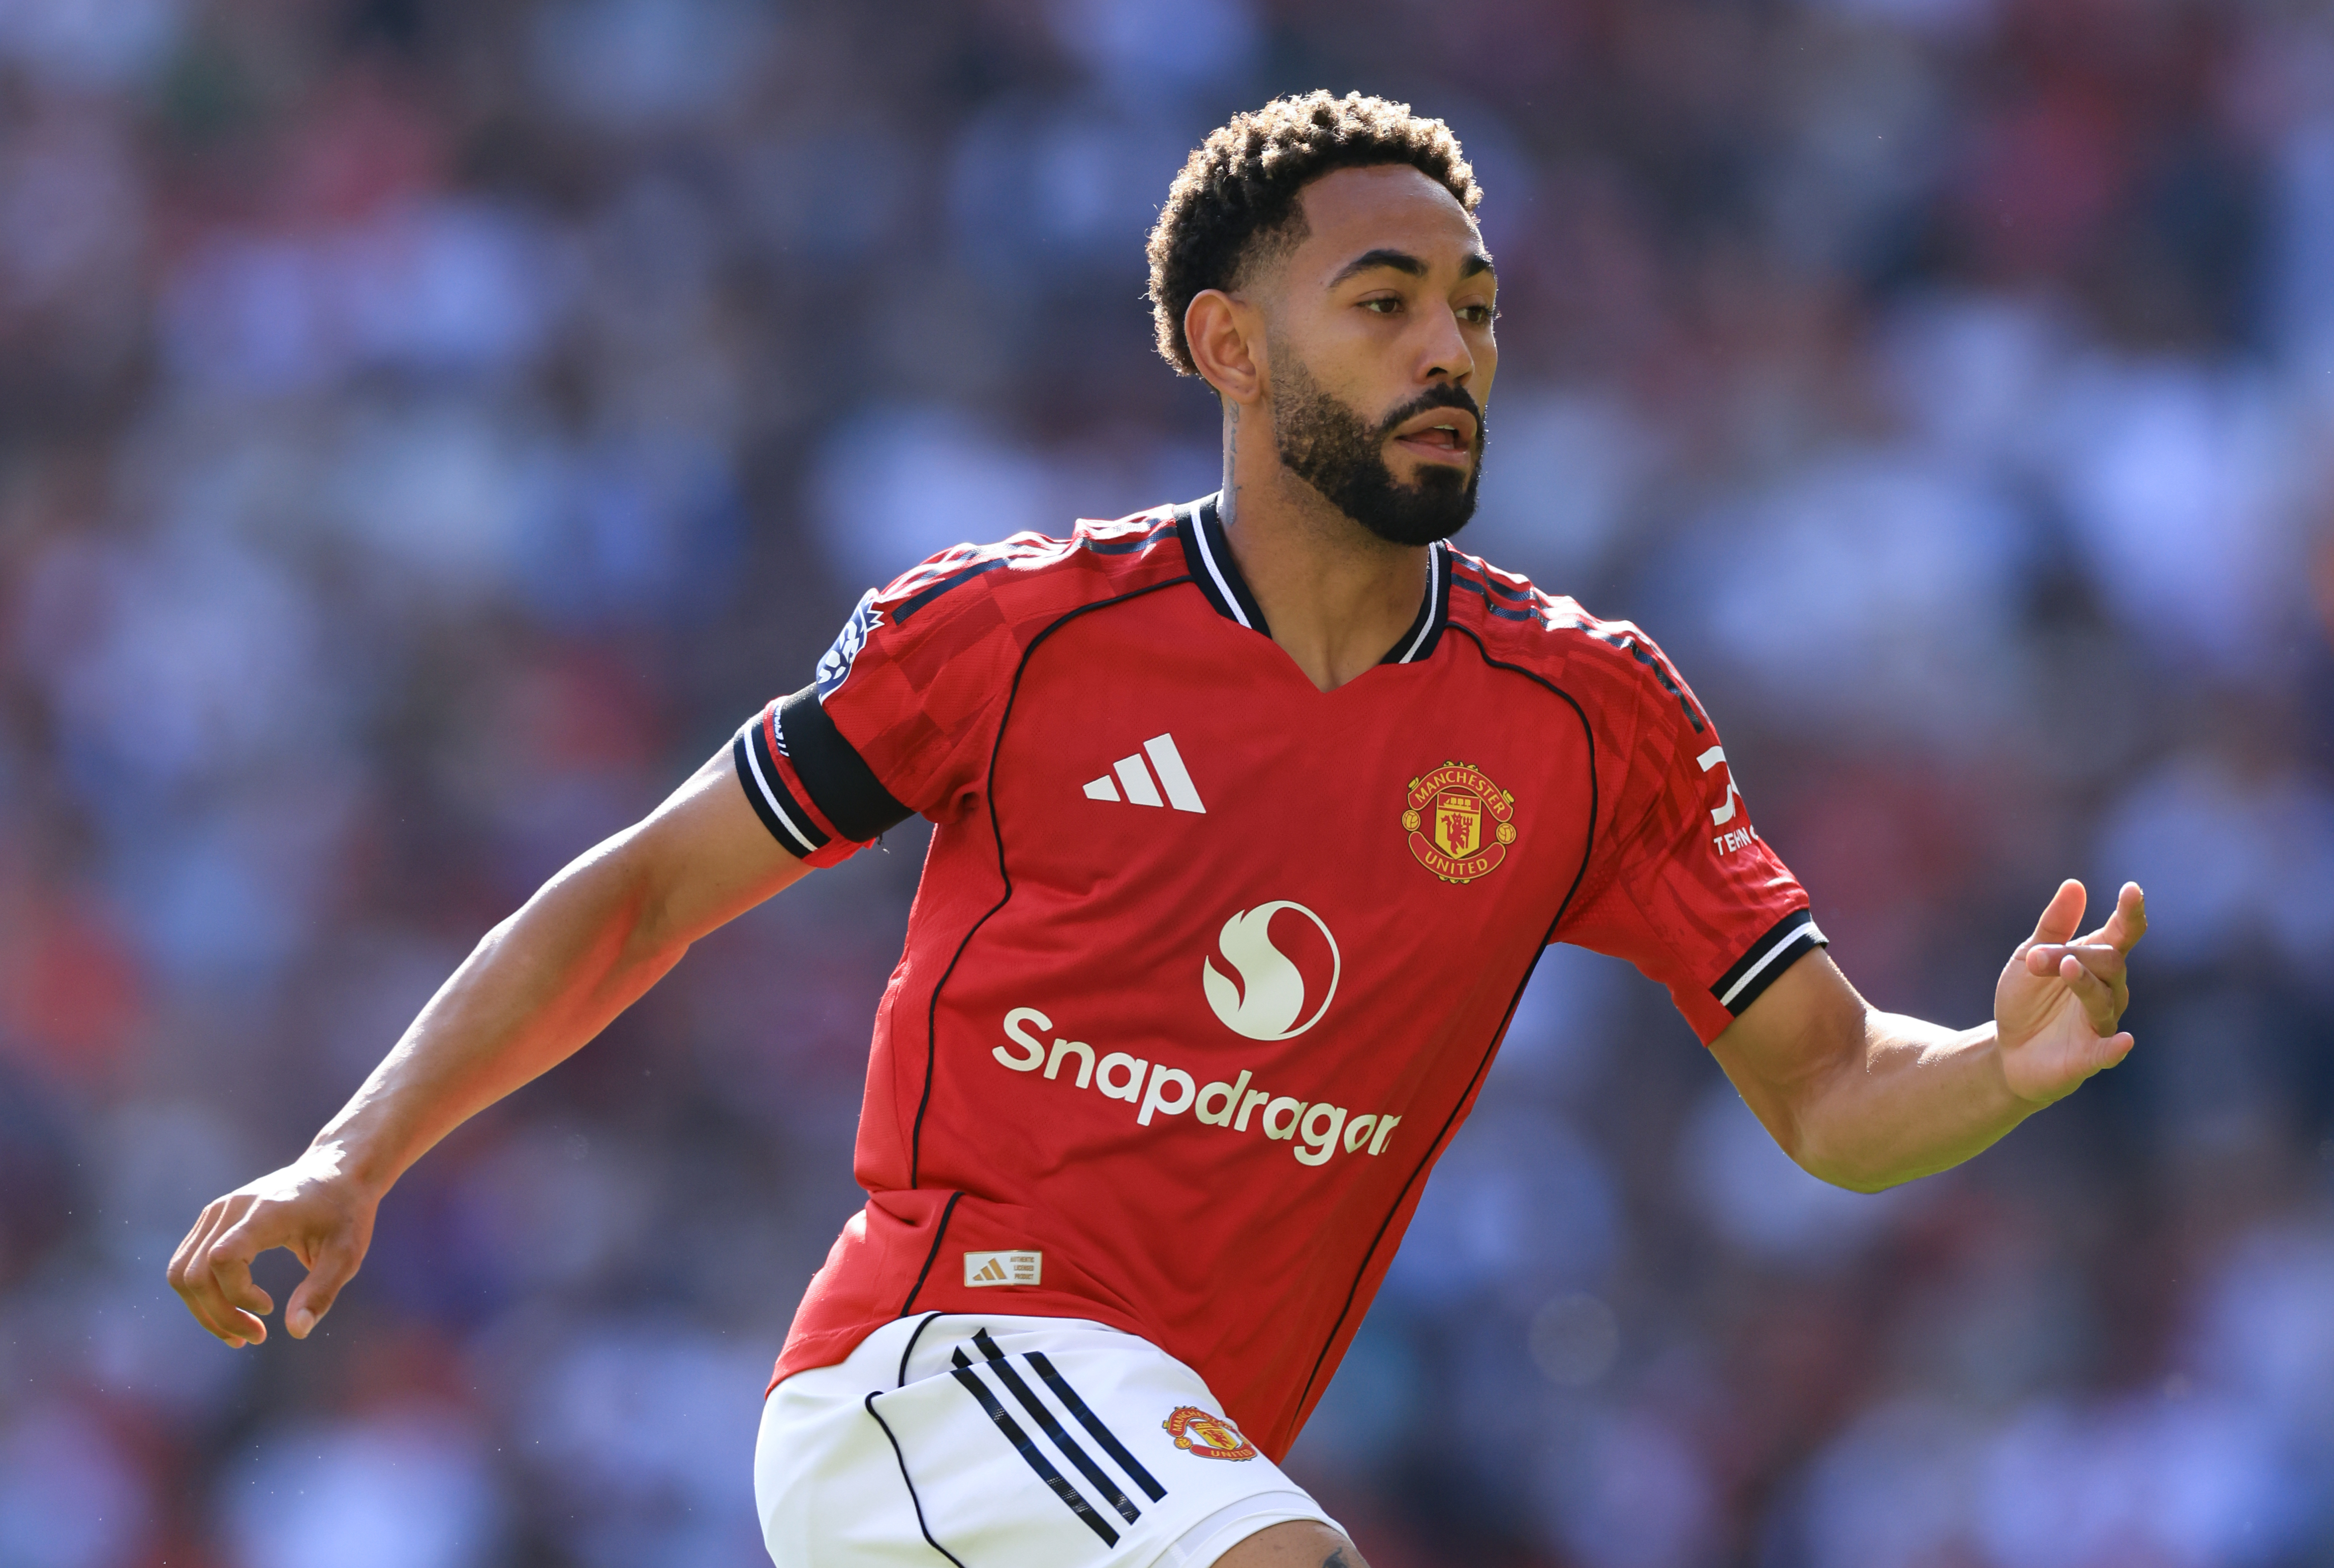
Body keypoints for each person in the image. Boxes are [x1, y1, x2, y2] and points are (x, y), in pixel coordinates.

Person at [169, 91, 2147, 1568]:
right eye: (1379, 302)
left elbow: (1822, 1088)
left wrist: (1999, 1062)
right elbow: (650, 889)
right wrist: (354, 1154)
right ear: (1225, 343)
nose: (1446, 347)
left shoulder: (1586, 713)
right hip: (931, 1376)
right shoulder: (1012, 635)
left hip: (1162, 1464)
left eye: (1468, 304)